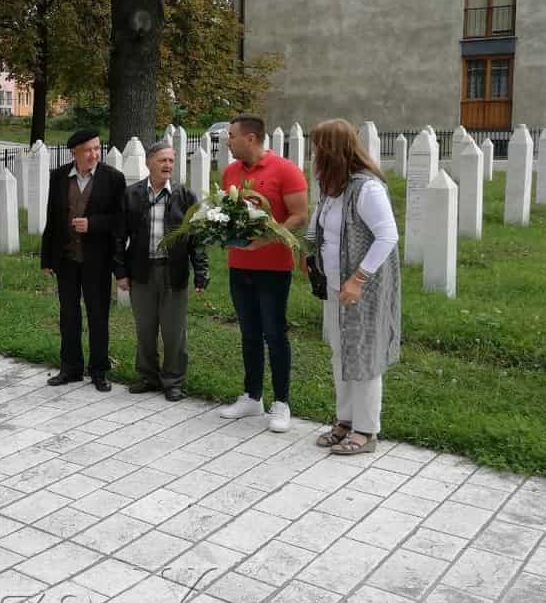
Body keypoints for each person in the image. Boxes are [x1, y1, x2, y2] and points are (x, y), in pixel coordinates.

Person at [307, 119, 401, 455]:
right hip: (335, 286)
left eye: (317, 146)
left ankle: (366, 430)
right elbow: (318, 228)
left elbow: (387, 236)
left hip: (362, 289)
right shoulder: (332, 186)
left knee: (364, 356)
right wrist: (305, 250)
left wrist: (358, 279)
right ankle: (345, 420)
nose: (313, 153)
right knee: (341, 354)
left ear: (331, 150)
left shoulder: (366, 188)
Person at [216, 114, 309, 432]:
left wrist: (269, 237)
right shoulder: (230, 172)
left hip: (273, 268)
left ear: (251, 138)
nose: (227, 141)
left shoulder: (285, 170)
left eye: (231, 136)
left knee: (274, 333)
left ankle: (281, 402)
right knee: (249, 332)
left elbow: (300, 215)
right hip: (239, 264)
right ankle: (252, 396)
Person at [116, 141, 209, 400]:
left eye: (171, 161)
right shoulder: (131, 195)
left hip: (173, 271)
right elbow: (119, 236)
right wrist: (120, 272)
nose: (168, 165)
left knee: (173, 331)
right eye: (162, 160)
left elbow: (196, 239)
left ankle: (173, 380)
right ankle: (147, 376)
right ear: (149, 163)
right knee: (145, 329)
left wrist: (201, 272)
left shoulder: (186, 197)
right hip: (142, 271)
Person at [40, 128, 125, 392]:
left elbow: (120, 221)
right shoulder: (59, 177)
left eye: (97, 148)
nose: (94, 154)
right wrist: (47, 258)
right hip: (66, 259)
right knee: (68, 315)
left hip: (97, 260)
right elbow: (52, 218)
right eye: (88, 150)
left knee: (98, 316)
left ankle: (99, 370)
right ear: (74, 153)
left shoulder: (113, 178)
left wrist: (93, 224)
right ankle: (71, 368)